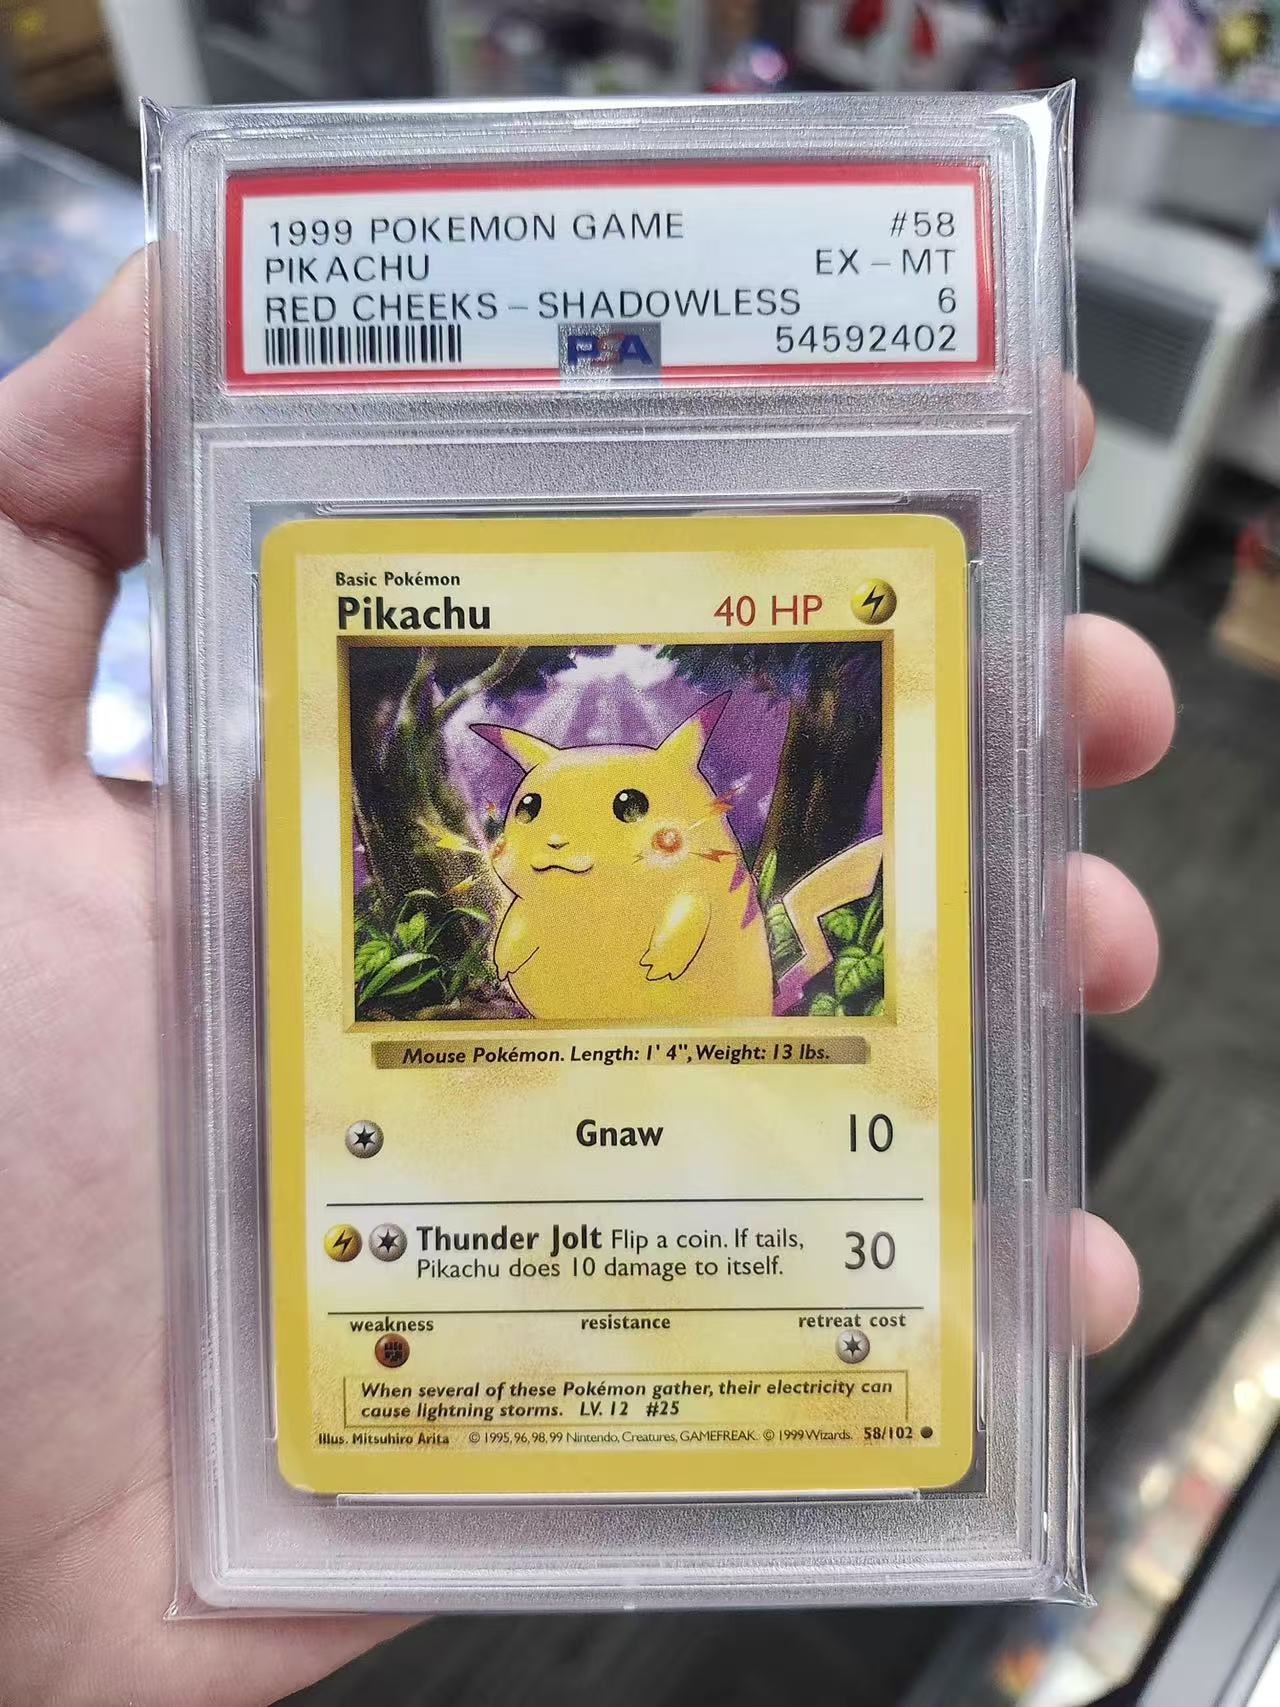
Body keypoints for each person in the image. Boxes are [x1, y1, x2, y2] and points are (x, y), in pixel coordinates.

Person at [0, 260, 1176, 1705]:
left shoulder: (694, 859)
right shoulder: (519, 848)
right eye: (535, 818)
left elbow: (693, 928)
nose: (550, 835)